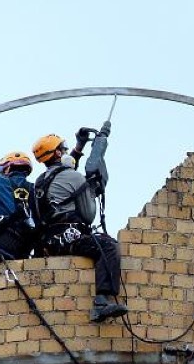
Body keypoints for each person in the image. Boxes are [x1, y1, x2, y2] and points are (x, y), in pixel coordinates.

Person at [32, 133, 128, 323]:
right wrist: (90, 190)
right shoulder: (73, 177)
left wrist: (80, 146)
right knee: (107, 246)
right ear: (58, 153)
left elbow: (65, 180)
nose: (67, 151)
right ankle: (101, 302)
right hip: (69, 237)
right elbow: (88, 214)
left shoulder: (41, 180)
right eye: (64, 148)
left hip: (49, 241)